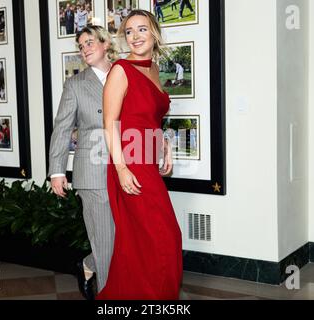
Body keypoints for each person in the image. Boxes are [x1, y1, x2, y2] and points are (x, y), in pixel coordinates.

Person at [97, 9, 182, 300]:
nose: (135, 36)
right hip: (130, 161)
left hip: (147, 156)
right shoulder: (120, 69)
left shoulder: (154, 68)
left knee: (139, 243)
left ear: (154, 33)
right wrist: (121, 168)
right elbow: (110, 122)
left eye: (142, 29)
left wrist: (166, 145)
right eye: (129, 31)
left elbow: (153, 118)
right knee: (164, 238)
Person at [48, 25, 118, 300]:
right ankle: (109, 299)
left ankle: (87, 265)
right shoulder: (75, 84)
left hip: (127, 165)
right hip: (93, 170)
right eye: (81, 45)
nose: (84, 49)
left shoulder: (124, 74)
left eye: (90, 42)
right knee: (104, 238)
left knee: (124, 236)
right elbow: (62, 128)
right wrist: (57, 170)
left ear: (105, 44)